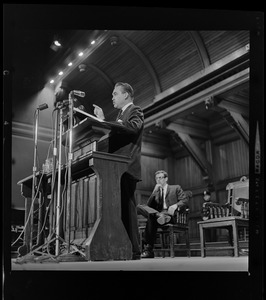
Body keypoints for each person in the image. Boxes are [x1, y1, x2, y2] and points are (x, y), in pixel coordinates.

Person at [93, 82, 144, 260]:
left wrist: (106, 121)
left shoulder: (135, 110)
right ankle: (121, 246)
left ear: (126, 95)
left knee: (128, 208)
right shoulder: (120, 115)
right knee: (118, 209)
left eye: (115, 94)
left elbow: (133, 127)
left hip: (126, 166)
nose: (112, 97)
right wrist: (102, 122)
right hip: (114, 166)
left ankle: (134, 251)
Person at [137, 170, 189, 258]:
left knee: (151, 217)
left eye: (160, 178)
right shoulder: (156, 192)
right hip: (158, 216)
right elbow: (149, 206)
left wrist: (175, 205)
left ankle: (148, 250)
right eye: (156, 178)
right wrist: (154, 192)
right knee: (140, 206)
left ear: (166, 179)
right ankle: (159, 215)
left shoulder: (175, 188)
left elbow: (185, 200)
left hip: (170, 215)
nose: (158, 180)